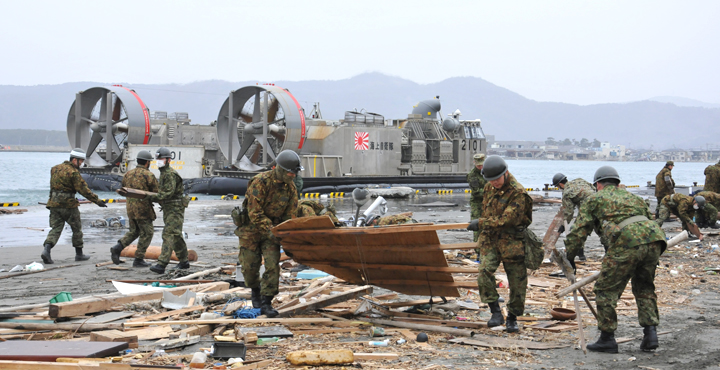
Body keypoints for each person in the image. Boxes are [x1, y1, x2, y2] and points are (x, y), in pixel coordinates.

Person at [565, 166, 666, 353]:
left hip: (627, 242)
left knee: (605, 290)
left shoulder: (594, 199)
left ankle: (607, 339)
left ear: (598, 185)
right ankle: (650, 334)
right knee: (644, 286)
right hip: (654, 240)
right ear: (617, 182)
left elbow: (579, 232)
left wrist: (569, 257)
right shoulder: (634, 198)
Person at [466, 155, 532, 333]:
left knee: (518, 283)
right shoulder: (488, 187)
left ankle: (512, 318)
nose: (494, 183)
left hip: (512, 241)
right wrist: (481, 230)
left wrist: (480, 223)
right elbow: (486, 211)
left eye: (497, 179)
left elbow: (507, 220)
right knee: (484, 272)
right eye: (490, 180)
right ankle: (495, 312)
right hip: (491, 240)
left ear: (506, 173)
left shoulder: (518, 192)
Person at [237, 150, 300, 317]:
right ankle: (255, 289)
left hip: (272, 232)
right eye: (289, 172)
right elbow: (254, 213)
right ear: (279, 169)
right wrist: (272, 230)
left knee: (272, 266)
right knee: (249, 267)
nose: (292, 176)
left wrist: (288, 239)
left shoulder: (290, 189)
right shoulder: (260, 182)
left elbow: (290, 216)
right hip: (251, 230)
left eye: (294, 173)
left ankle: (266, 302)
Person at [41, 148, 107, 264]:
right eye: (80, 161)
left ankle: (46, 250)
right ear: (74, 159)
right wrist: (98, 201)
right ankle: (79, 254)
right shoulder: (73, 172)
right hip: (69, 204)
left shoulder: (55, 169)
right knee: (76, 228)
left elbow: (53, 186)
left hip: (54, 203)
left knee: (55, 229)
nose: (81, 164)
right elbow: (83, 190)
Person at [110, 150, 159, 267]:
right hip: (143, 209)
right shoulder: (149, 175)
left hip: (130, 208)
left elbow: (123, 189)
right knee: (147, 232)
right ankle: (138, 259)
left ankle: (118, 248)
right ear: (147, 162)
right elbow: (156, 194)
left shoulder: (128, 174)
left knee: (134, 231)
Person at [148, 148, 190, 274]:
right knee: (176, 235)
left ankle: (162, 264)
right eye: (158, 159)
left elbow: (167, 193)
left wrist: (150, 196)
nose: (159, 161)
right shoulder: (164, 173)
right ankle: (184, 261)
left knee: (168, 234)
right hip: (170, 209)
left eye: (161, 159)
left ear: (168, 160)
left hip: (175, 209)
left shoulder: (170, 174)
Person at [551, 173, 602, 258]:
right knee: (600, 229)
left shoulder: (566, 193)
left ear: (560, 184)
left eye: (557, 186)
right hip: (600, 202)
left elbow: (569, 212)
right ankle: (609, 252)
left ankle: (580, 255)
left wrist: (564, 225)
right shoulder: (579, 180)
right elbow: (593, 188)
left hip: (588, 208)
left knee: (577, 230)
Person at [467, 153, 487, 245]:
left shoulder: (488, 172)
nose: (480, 167)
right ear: (474, 163)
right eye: (478, 165)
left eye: (482, 165)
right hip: (477, 202)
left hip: (488, 201)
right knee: (477, 225)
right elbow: (476, 192)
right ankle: (477, 247)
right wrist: (490, 191)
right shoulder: (472, 175)